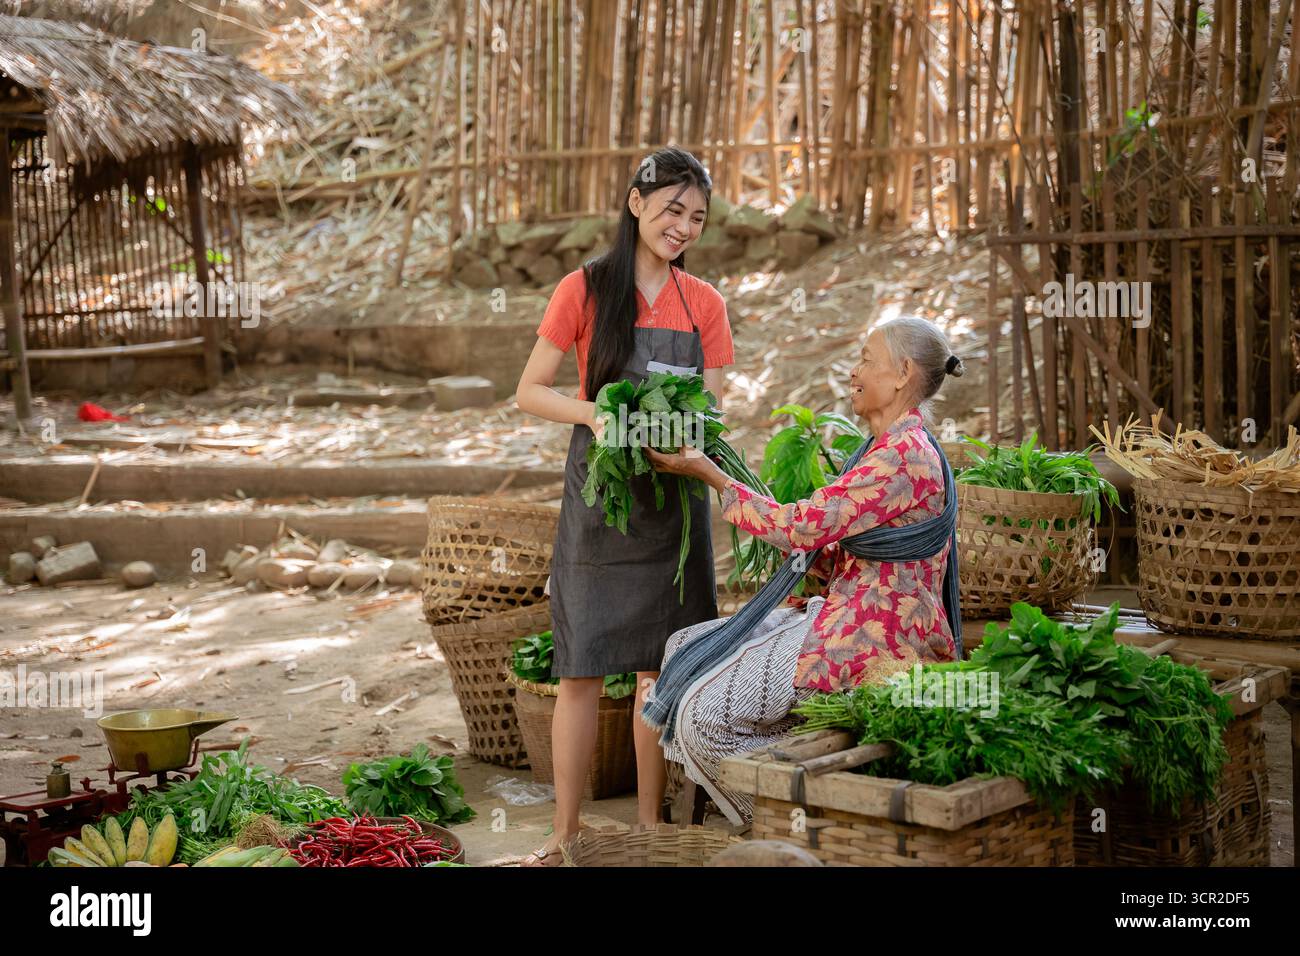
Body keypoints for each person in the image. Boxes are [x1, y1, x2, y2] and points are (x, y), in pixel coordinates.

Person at [643, 316, 965, 824]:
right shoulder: (884, 447)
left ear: (903, 373)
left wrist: (713, 475)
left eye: (865, 359)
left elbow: (802, 527)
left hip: (873, 637)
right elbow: (824, 538)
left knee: (699, 718)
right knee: (682, 648)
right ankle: (787, 787)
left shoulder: (904, 456)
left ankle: (786, 829)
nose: (853, 370)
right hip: (843, 608)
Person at [514, 147, 735, 864]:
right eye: (674, 210)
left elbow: (715, 410)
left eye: (697, 217)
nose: (685, 227)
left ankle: (648, 827)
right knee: (580, 669)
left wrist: (689, 440)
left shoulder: (704, 303)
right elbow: (530, 390)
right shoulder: (583, 289)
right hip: (599, 498)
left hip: (673, 505)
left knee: (657, 670)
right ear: (636, 203)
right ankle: (565, 831)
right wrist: (593, 416)